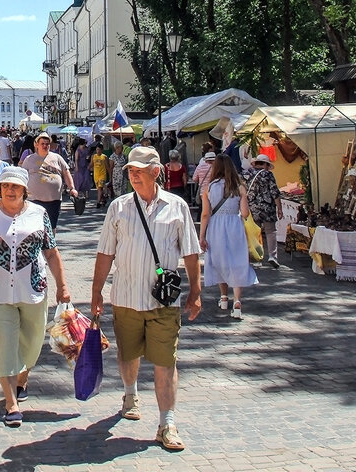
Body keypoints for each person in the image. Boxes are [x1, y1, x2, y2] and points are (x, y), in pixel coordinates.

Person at [90, 146, 201, 452]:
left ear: (156, 171)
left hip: (163, 301)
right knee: (128, 353)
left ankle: (167, 423)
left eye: (140, 170)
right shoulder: (119, 207)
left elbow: (191, 252)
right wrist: (96, 291)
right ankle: (130, 393)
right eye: (131, 171)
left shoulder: (176, 207)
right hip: (126, 296)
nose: (134, 175)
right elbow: (105, 252)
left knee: (166, 361)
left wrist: (196, 291)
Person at [0, 166, 69, 428]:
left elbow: (51, 252)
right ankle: (11, 403)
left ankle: (22, 377)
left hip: (33, 289)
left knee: (33, 342)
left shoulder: (39, 214)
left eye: (15, 187)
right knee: (6, 343)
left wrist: (62, 285)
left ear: (25, 190)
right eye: (5, 186)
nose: (9, 190)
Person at [200, 155, 257, 320]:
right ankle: (237, 301)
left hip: (216, 227)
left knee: (220, 261)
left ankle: (224, 297)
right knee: (237, 262)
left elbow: (205, 214)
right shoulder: (239, 187)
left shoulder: (209, 187)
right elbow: (245, 213)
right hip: (235, 226)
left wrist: (202, 236)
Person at [20, 132, 78, 230]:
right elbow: (22, 176)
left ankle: (50, 245)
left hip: (53, 200)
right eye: (42, 143)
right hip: (34, 200)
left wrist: (72, 188)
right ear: (36, 144)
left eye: (47, 144)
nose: (45, 146)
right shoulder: (29, 159)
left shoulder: (57, 158)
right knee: (35, 227)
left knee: (51, 227)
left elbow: (66, 173)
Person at [244, 153, 282, 269]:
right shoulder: (268, 175)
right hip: (268, 208)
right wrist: (279, 208)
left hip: (253, 208)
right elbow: (274, 192)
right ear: (265, 164)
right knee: (271, 232)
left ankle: (256, 259)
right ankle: (272, 256)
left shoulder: (248, 174)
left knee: (255, 232)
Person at [92, 144, 110, 208]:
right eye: (97, 149)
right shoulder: (94, 156)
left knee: (100, 188)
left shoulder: (104, 157)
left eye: (99, 149)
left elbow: (107, 167)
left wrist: (110, 175)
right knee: (99, 189)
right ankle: (103, 199)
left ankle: (98, 202)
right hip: (96, 175)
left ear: (102, 150)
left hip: (102, 175)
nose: (98, 151)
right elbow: (91, 164)